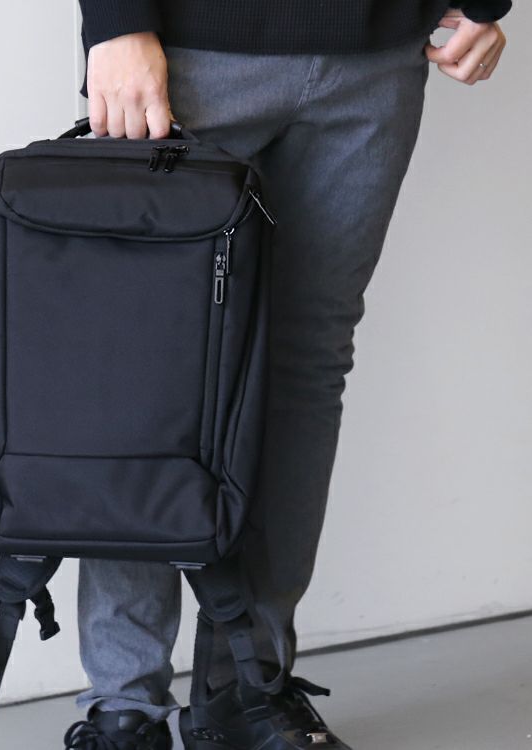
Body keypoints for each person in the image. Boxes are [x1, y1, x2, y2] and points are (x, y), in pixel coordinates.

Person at [66, 2, 511, 748]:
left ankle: (248, 687)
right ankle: (124, 707)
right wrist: (116, 21)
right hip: (187, 51)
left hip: (377, 58)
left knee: (305, 369)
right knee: (144, 368)